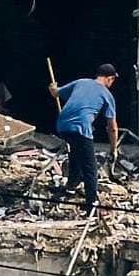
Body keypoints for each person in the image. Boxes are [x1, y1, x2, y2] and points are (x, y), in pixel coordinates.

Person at [52, 64, 119, 214]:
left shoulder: (81, 82)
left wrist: (53, 88)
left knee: (76, 152)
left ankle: (71, 185)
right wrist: (113, 149)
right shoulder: (107, 95)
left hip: (62, 125)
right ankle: (91, 204)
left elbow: (56, 93)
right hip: (81, 128)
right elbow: (112, 127)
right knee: (90, 167)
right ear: (110, 79)